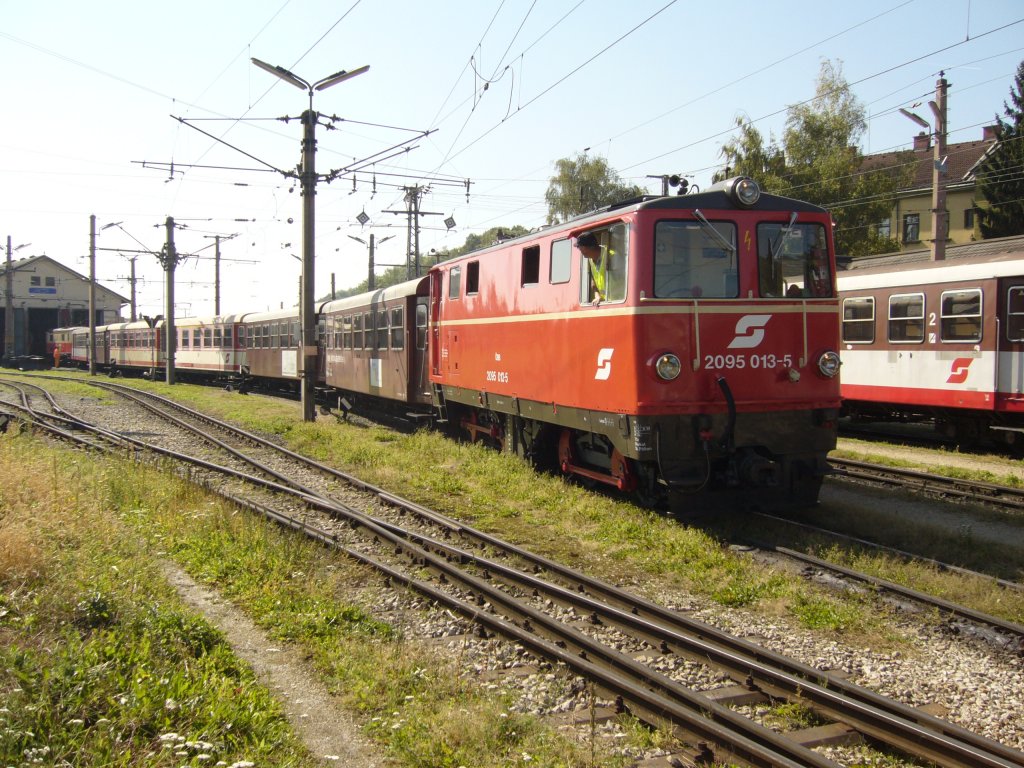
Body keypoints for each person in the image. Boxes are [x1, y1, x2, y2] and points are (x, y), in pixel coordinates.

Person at [577, 232, 607, 301]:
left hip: (618, 301)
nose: (580, 251)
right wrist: (597, 296)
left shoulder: (610, 255)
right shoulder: (590, 259)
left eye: (581, 248)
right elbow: (594, 281)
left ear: (591, 246)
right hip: (605, 302)